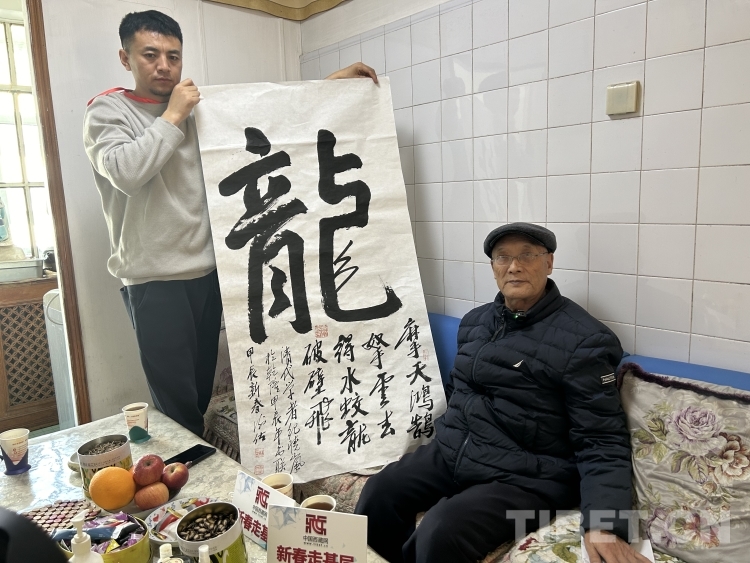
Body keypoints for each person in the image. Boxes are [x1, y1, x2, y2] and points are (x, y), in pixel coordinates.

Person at [83, 10, 377, 437]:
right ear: (125, 58)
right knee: (176, 404)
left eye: (173, 56)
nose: (164, 65)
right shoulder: (108, 111)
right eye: (150, 55)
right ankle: (186, 473)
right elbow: (126, 172)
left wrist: (332, 84)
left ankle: (197, 464)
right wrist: (172, 116)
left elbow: (268, 113)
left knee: (200, 392)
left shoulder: (198, 108)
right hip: (153, 279)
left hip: (209, 272)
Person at [355, 222, 650, 563]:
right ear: (493, 267)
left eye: (527, 255)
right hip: (454, 454)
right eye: (503, 257)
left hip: (529, 479)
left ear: (549, 263)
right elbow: (458, 395)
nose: (514, 266)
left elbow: (601, 438)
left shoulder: (585, 340)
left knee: (442, 529)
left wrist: (605, 524)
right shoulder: (474, 323)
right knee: (379, 493)